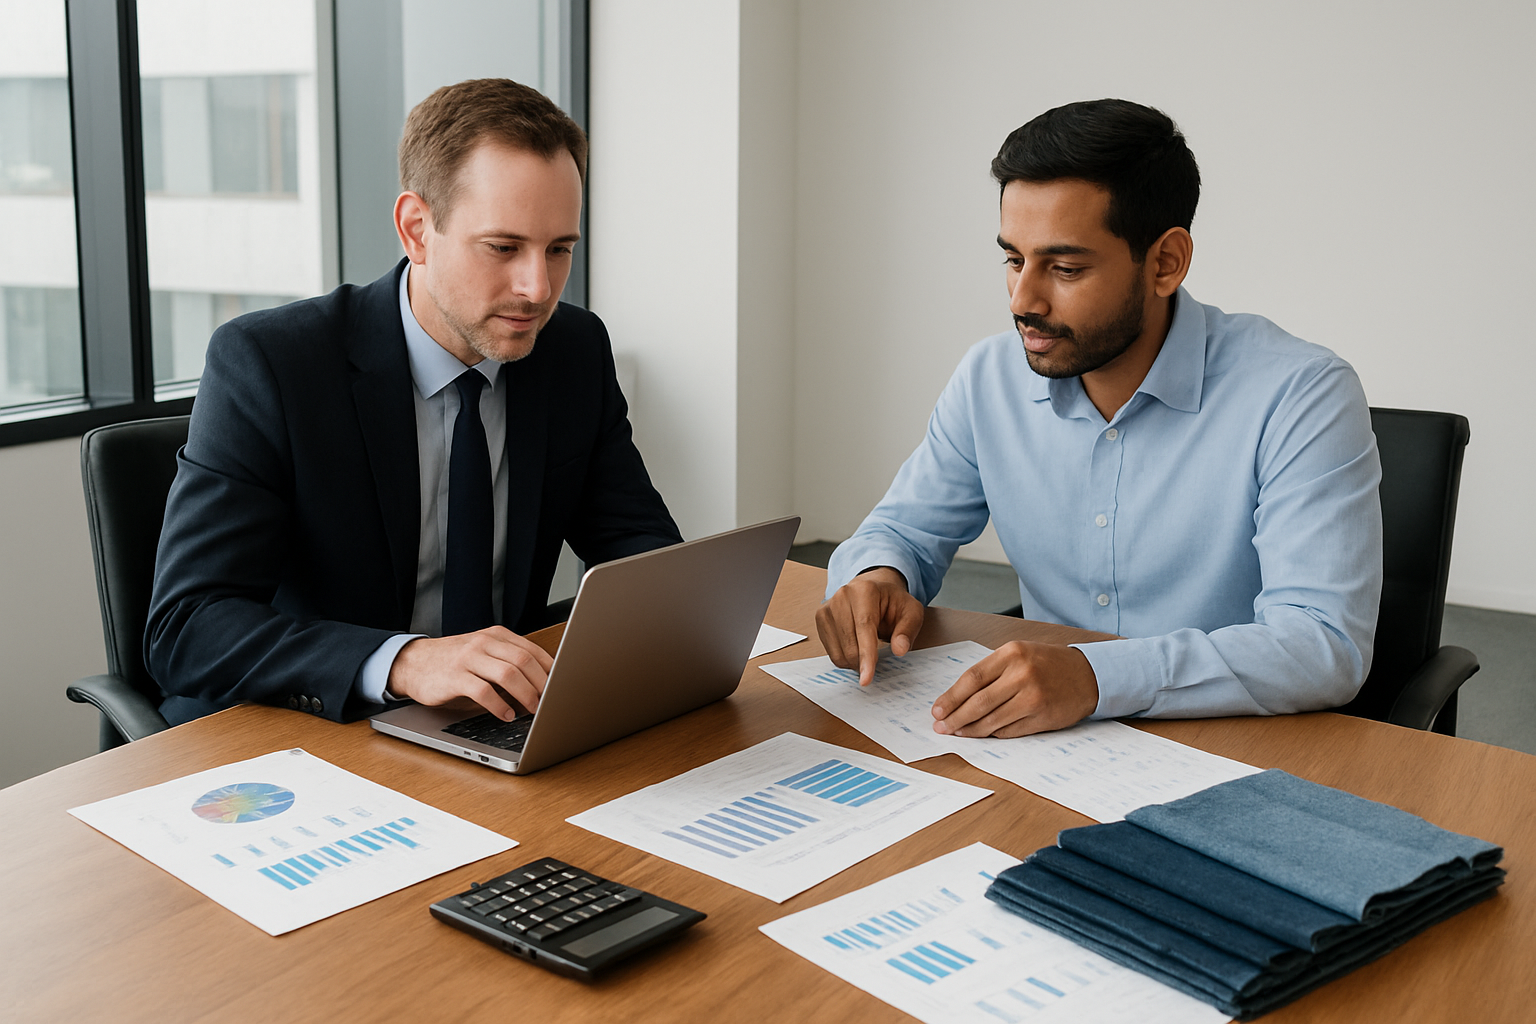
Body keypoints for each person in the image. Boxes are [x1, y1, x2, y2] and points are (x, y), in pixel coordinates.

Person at [816, 98, 1382, 739]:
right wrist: (876, 574)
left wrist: (1095, 677)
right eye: (1012, 259)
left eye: (1065, 268)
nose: (1022, 300)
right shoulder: (989, 379)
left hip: (1234, 741)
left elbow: (1321, 644)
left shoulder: (1301, 394)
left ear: (1165, 262)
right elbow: (903, 530)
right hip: (1047, 745)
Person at [146, 79, 681, 727]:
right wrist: (404, 661)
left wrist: (680, 624)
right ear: (417, 229)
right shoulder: (271, 365)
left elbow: (636, 544)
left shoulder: (572, 350)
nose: (537, 288)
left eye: (560, 250)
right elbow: (187, 627)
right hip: (311, 729)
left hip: (489, 725)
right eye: (504, 248)